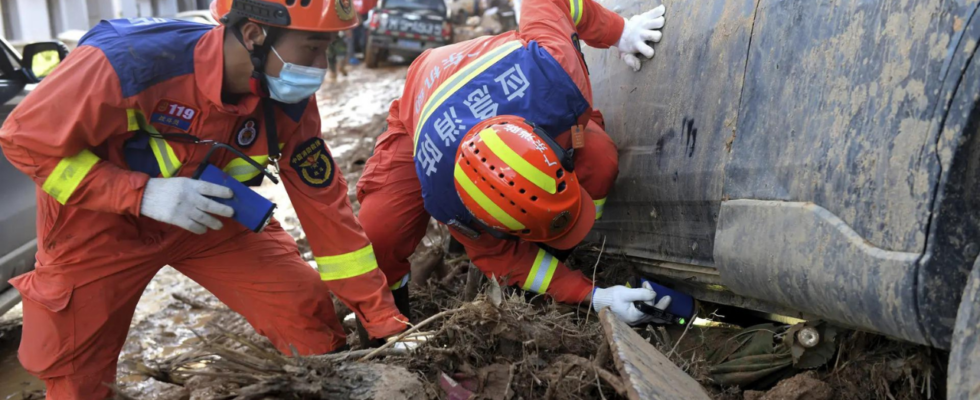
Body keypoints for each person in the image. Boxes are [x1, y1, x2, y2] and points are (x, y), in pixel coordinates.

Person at [0, 0, 408, 397]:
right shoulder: (125, 63)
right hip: (97, 225)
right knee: (75, 373)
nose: (320, 68)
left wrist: (382, 318)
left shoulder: (287, 95)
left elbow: (325, 208)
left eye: (328, 49)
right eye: (312, 48)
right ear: (254, 34)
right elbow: (25, 142)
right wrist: (141, 194)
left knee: (303, 307)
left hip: (208, 212)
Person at [356, 0, 671, 329]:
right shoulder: (446, 195)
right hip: (422, 107)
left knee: (600, 159)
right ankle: (385, 325)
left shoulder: (556, 72)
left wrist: (619, 32)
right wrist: (590, 294)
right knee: (381, 232)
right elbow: (500, 257)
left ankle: (562, 247)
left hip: (503, 79)